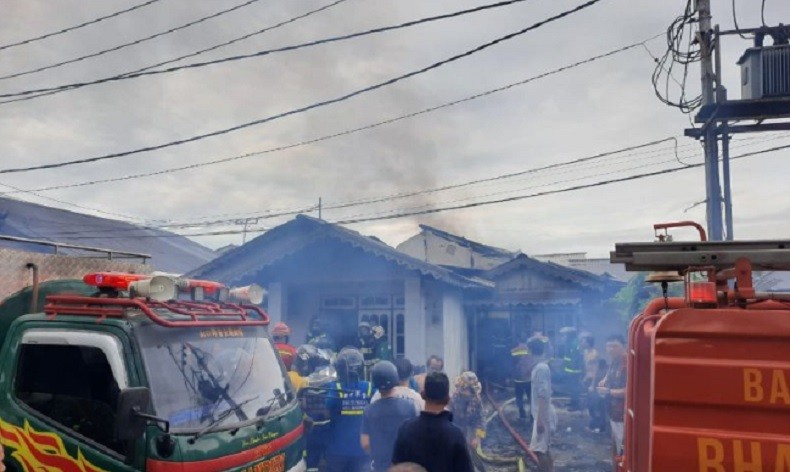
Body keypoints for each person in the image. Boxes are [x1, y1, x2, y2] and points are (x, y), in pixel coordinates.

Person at [391, 372, 474, 472]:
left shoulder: (405, 429)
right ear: (448, 399)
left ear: (422, 394)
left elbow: (396, 466)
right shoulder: (455, 435)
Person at [361, 361, 418, 472]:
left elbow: (365, 443)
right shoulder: (409, 406)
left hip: (379, 466)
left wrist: (377, 455)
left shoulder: (369, 410)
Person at [325, 347, 373, 472]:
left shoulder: (335, 387)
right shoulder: (368, 387)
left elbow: (326, 413)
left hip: (337, 450)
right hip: (362, 450)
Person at [295, 344, 334, 472]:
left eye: (303, 364)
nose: (302, 367)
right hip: (316, 428)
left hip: (314, 428)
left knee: (315, 461)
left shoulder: (324, 380)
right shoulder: (326, 382)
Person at [528, 335, 557, 471]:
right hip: (542, 413)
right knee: (543, 448)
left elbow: (543, 395)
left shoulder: (540, 368)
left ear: (530, 350)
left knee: (540, 450)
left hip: (543, 414)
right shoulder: (540, 366)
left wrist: (539, 420)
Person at [598, 334, 627, 457]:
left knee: (623, 448)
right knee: (616, 444)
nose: (610, 349)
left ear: (624, 346)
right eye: (608, 346)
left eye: (614, 346)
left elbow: (630, 391)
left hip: (623, 414)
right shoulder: (615, 361)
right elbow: (610, 374)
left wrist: (608, 391)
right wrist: (604, 380)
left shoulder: (628, 363)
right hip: (613, 411)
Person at [450, 371, 486, 450]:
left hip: (471, 431)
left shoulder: (476, 400)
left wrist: (478, 438)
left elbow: (481, 420)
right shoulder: (454, 398)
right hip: (456, 430)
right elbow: (448, 418)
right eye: (465, 389)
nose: (466, 392)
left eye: (470, 389)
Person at [510, 334, 534, 422]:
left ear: (518, 340)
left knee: (519, 398)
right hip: (529, 378)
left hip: (518, 379)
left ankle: (522, 415)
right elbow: (532, 363)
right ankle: (532, 415)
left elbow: (512, 365)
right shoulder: (531, 351)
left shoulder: (514, 351)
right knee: (531, 398)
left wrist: (512, 376)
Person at [560, 327, 584, 411]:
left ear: (569, 335)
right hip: (569, 370)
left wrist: (573, 369)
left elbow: (575, 358)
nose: (563, 337)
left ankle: (576, 405)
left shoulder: (574, 343)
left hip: (574, 371)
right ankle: (572, 402)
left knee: (574, 388)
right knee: (571, 387)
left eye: (564, 335)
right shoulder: (569, 343)